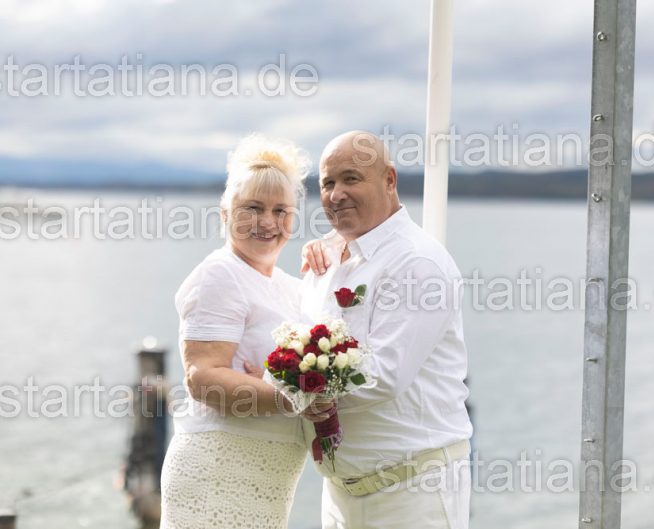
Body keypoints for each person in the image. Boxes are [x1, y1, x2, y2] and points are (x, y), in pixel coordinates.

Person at [300, 131, 473, 529]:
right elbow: (298, 344)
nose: (336, 194)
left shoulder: (417, 263)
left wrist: (294, 392)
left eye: (351, 179)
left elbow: (383, 375)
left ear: (389, 180)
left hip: (411, 493)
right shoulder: (327, 259)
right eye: (327, 183)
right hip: (340, 495)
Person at [160, 134, 324, 529]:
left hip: (270, 479)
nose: (268, 222)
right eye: (253, 208)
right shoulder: (220, 274)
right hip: (219, 469)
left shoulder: (291, 287)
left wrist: (332, 254)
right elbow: (203, 380)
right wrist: (289, 398)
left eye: (281, 210)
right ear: (225, 213)